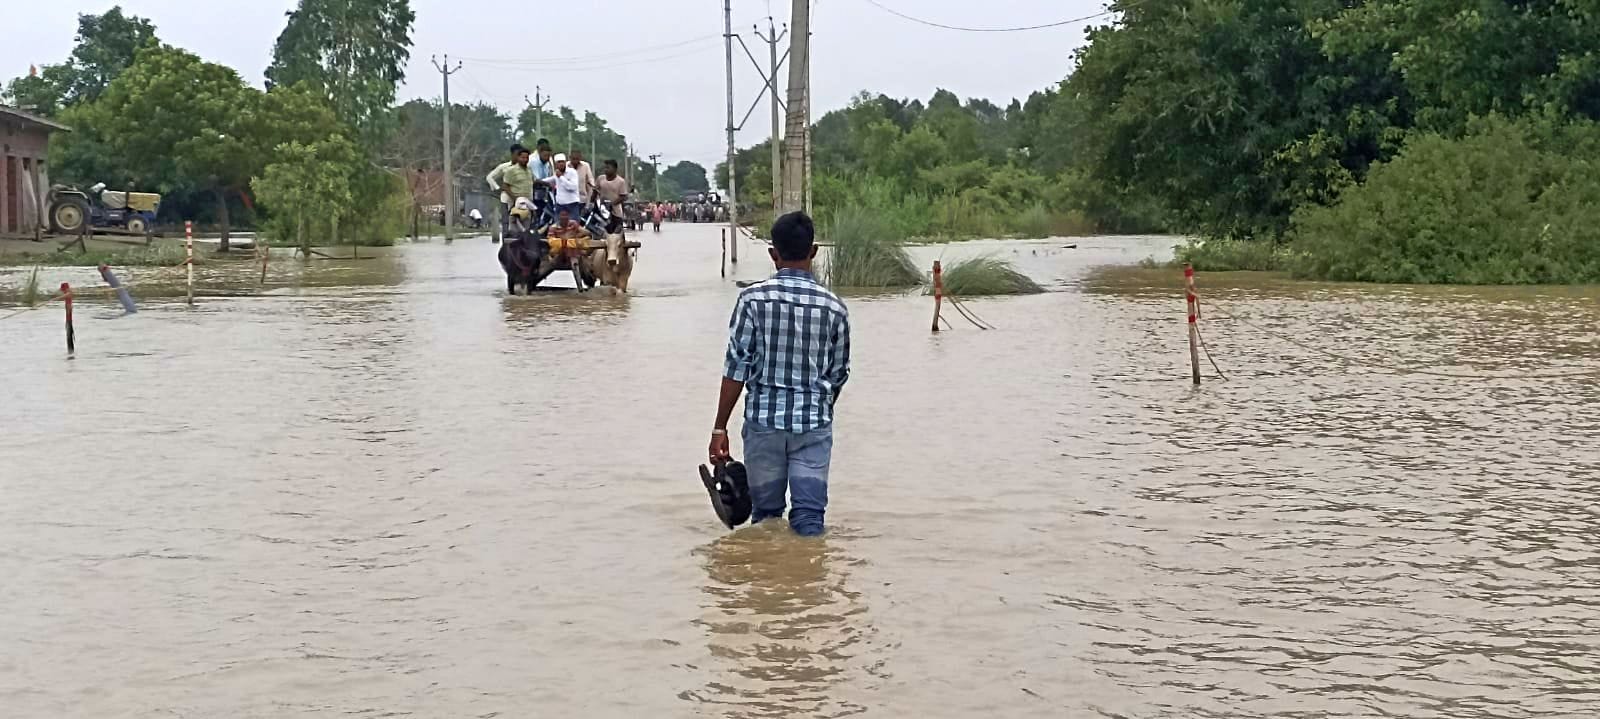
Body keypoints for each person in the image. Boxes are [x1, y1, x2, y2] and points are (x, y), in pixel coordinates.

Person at [709, 212, 851, 537]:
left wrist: (720, 428)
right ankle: (810, 582)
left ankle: (768, 581)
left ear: (773, 254)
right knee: (810, 519)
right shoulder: (835, 308)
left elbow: (736, 368)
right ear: (813, 251)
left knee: (767, 517)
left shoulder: (751, 300)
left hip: (764, 426)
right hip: (813, 426)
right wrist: (818, 406)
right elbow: (839, 372)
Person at [486, 144, 535, 238]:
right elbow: (489, 177)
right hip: (508, 198)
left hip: (522, 200)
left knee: (523, 221)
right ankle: (506, 243)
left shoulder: (527, 169)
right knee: (506, 221)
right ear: (513, 155)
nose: (520, 158)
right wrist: (497, 188)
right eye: (518, 155)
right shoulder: (505, 167)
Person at [540, 153, 583, 221]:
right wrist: (538, 181)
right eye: (559, 162)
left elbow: (572, 187)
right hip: (560, 205)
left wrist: (561, 177)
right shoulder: (557, 173)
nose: (561, 164)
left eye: (562, 162)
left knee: (573, 227)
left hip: (572, 205)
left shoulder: (572, 172)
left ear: (565, 162)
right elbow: (551, 179)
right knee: (558, 227)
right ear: (556, 164)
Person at [595, 159, 630, 233]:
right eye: (605, 168)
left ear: (615, 169)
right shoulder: (601, 178)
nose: (605, 170)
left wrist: (612, 204)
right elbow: (595, 191)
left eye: (608, 168)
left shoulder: (621, 181)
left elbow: (624, 196)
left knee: (617, 234)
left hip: (616, 212)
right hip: (602, 210)